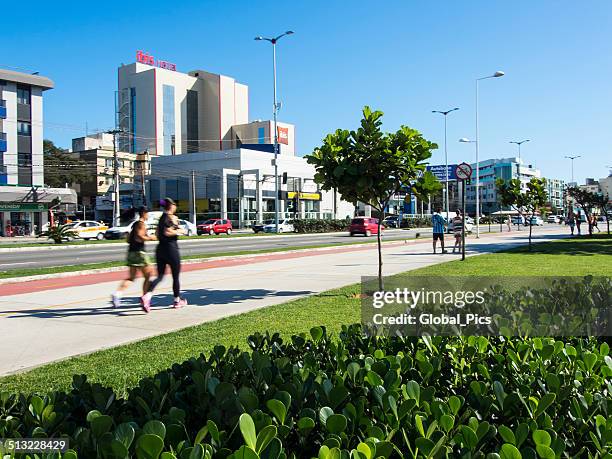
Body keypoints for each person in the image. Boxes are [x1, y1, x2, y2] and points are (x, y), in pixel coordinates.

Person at [141, 197, 187, 312]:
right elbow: (169, 231)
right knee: (175, 277)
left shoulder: (161, 218)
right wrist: (179, 231)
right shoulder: (172, 218)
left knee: (160, 276)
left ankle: (147, 296)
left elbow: (157, 232)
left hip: (160, 249)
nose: (176, 207)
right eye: (175, 204)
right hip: (171, 249)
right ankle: (177, 301)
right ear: (171, 206)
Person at [111, 207, 156, 308]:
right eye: (147, 213)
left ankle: (117, 294)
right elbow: (139, 237)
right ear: (144, 213)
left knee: (132, 278)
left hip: (131, 252)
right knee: (149, 275)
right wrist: (150, 238)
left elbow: (128, 239)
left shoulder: (135, 224)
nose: (148, 216)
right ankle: (145, 299)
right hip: (139, 253)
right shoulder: (141, 224)